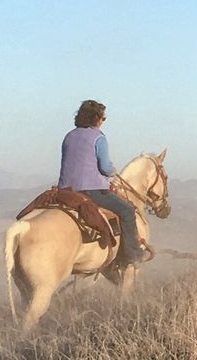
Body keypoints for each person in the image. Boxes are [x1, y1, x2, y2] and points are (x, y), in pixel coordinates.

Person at [57, 99, 142, 267]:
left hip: (65, 191)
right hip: (91, 190)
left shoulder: (69, 136)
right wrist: (113, 171)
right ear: (96, 118)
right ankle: (133, 254)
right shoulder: (98, 137)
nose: (103, 122)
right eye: (103, 118)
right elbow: (104, 167)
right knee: (127, 211)